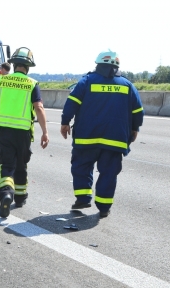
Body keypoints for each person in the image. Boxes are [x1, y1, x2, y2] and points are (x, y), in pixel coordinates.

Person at [60, 50, 144, 218]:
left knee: (82, 167)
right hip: (115, 139)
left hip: (86, 137)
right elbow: (138, 111)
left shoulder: (86, 81)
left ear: (98, 64)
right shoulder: (127, 85)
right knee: (109, 172)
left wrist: (65, 122)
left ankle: (83, 198)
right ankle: (104, 207)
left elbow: (72, 103)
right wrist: (135, 128)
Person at [0, 47, 49, 218]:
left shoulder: (1, 81)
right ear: (28, 67)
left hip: (3, 131)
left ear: (13, 65)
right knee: (21, 164)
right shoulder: (32, 84)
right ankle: (20, 198)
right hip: (22, 133)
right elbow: (39, 108)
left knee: (6, 165)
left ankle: (6, 193)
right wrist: (45, 132)